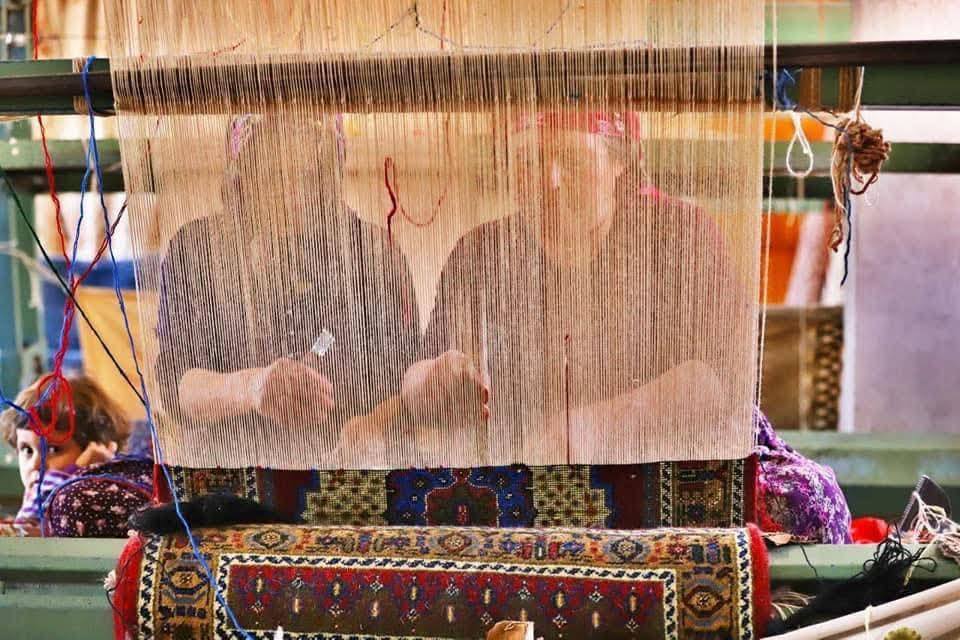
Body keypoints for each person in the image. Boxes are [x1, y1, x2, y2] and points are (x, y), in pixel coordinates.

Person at [401, 111, 851, 541]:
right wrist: (433, 379)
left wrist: (583, 430)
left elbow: (721, 382)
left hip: (665, 462)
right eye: (529, 160)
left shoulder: (678, 235)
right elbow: (422, 377)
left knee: (807, 503)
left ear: (619, 161)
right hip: (525, 471)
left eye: (571, 159)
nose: (549, 179)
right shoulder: (481, 252)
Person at [156, 115, 420, 466]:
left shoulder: (370, 252)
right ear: (243, 175)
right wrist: (253, 387)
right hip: (232, 468)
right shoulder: (198, 249)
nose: (292, 192)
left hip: (349, 469)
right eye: (272, 174)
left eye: (308, 174)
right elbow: (178, 387)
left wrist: (372, 427)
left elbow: (406, 372)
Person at [0, 374, 151, 535]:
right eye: (27, 450)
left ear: (94, 447)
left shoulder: (88, 497)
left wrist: (80, 469)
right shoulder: (35, 503)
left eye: (53, 450)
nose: (35, 464)